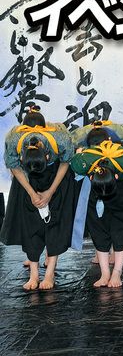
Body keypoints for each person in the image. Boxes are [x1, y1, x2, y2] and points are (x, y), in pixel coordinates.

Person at [0, 107, 76, 290]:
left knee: (55, 224)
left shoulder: (60, 138)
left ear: (47, 155)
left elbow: (65, 162)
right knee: (30, 224)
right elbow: (14, 167)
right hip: (27, 179)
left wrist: (50, 192)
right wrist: (31, 193)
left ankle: (49, 274)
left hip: (55, 176)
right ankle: (33, 275)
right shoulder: (14, 139)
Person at [70, 140, 123, 287]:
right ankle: (105, 274)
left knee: (120, 232)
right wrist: (79, 152)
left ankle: (116, 273)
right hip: (95, 195)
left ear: (116, 177)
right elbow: (75, 159)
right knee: (98, 232)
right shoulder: (83, 162)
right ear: (90, 177)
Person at [71, 120, 123, 265]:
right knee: (118, 229)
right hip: (118, 196)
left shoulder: (86, 158)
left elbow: (75, 165)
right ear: (109, 139)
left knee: (99, 229)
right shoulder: (122, 154)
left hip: (97, 194)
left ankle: (105, 271)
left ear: (89, 144)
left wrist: (79, 154)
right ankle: (116, 269)